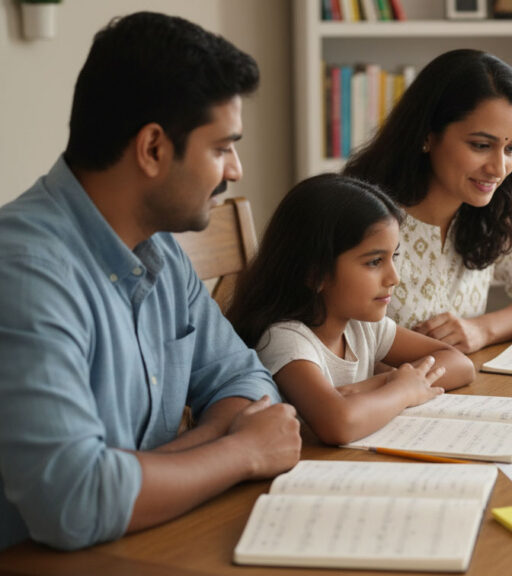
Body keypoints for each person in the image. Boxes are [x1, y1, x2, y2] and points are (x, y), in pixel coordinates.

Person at [0, 12, 301, 551]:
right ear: (153, 148)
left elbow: (247, 381)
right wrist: (241, 452)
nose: (235, 169)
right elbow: (75, 501)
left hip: (150, 543)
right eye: (221, 147)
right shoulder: (24, 273)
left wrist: (140, 471)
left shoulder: (160, 248)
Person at [343, 49, 512, 354]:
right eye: (481, 145)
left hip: (463, 390)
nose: (498, 168)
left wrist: (482, 329)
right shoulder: (358, 214)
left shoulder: (499, 208)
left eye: (511, 148)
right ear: (427, 135)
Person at [227, 174, 476, 445]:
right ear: (315, 273)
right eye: (374, 262)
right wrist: (403, 390)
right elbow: (339, 424)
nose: (394, 277)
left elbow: (460, 364)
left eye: (394, 256)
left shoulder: (362, 325)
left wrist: (382, 384)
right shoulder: (286, 340)